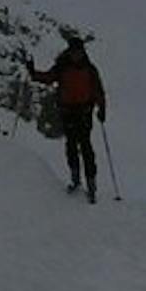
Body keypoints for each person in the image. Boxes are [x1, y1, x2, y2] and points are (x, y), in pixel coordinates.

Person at [29, 34, 107, 202]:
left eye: (78, 51)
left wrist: (102, 109)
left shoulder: (88, 69)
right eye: (74, 51)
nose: (76, 54)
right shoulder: (64, 66)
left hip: (83, 111)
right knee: (72, 145)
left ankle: (90, 184)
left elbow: (98, 91)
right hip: (69, 111)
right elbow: (48, 78)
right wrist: (33, 73)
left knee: (85, 146)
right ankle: (77, 179)